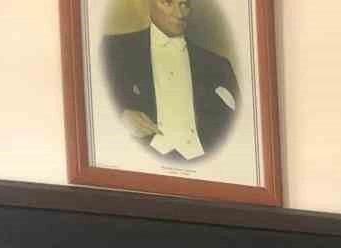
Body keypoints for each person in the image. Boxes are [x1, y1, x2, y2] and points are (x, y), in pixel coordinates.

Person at [102, 0, 239, 161]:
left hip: (206, 160)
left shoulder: (218, 65)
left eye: (184, 4)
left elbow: (240, 124)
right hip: (138, 159)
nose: (179, 14)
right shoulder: (115, 48)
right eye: (167, 2)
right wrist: (121, 117)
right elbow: (94, 104)